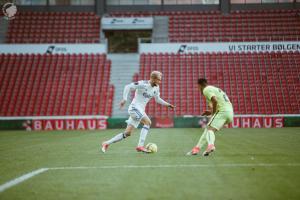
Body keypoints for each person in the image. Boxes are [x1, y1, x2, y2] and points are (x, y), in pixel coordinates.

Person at [101, 71, 175, 153]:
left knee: (127, 133)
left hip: (140, 110)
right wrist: (124, 99)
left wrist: (168, 104)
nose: (159, 82)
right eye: (158, 80)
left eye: (160, 80)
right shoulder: (143, 84)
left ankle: (106, 143)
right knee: (148, 122)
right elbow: (128, 86)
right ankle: (140, 146)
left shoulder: (156, 88)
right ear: (153, 78)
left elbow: (157, 99)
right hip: (134, 108)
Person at [187, 78, 234, 156]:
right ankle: (196, 149)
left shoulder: (206, 90)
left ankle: (211, 146)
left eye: (198, 87)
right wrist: (211, 111)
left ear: (199, 85)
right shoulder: (214, 89)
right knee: (208, 130)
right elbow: (214, 103)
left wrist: (214, 113)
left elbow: (215, 101)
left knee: (209, 129)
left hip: (222, 112)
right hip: (230, 113)